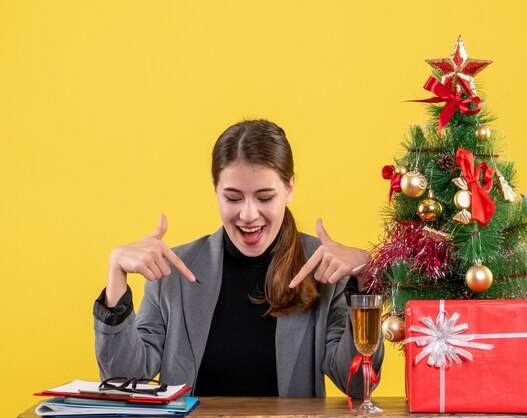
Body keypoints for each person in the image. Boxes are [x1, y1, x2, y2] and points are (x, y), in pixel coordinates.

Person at [93, 119, 383, 397]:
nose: (248, 215)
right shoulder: (174, 270)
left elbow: (358, 386)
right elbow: (124, 377)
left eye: (265, 197)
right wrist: (116, 272)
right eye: (232, 198)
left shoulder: (323, 271)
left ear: (289, 188)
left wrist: (364, 282)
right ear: (215, 190)